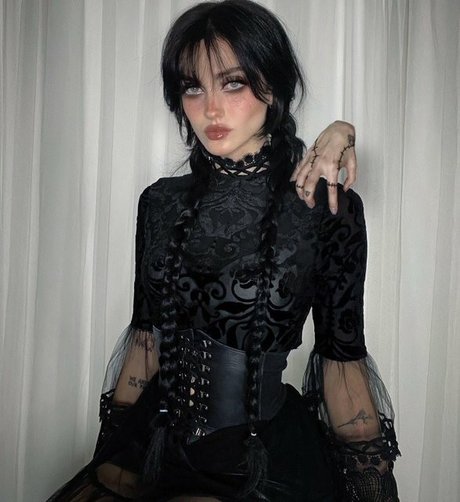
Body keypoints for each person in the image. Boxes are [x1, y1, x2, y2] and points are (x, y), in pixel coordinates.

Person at [48, 1, 399, 500]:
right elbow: (145, 343)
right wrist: (113, 451)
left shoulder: (324, 209)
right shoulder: (159, 203)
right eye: (193, 87)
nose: (210, 108)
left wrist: (371, 484)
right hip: (157, 444)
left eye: (232, 83)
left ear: (273, 85)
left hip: (260, 457)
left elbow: (341, 361)